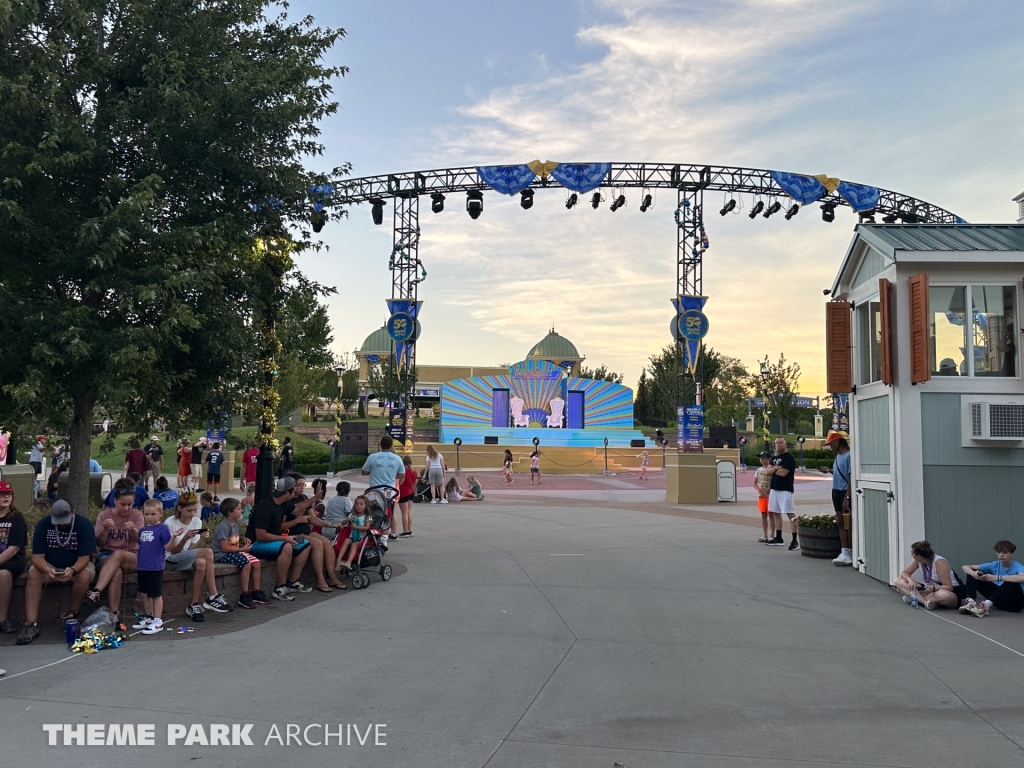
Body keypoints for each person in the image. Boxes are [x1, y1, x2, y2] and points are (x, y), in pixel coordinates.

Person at [17, 500, 97, 645]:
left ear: (73, 513)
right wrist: (47, 570)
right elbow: (37, 557)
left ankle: (72, 615)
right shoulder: (44, 525)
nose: (61, 524)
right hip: (50, 564)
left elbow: (84, 557)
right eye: (58, 521)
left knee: (84, 575)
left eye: (64, 521)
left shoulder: (84, 525)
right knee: (34, 575)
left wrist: (73, 570)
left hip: (76, 565)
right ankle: (31, 624)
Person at [164, 492, 233, 622]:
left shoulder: (196, 522)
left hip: (185, 557)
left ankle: (194, 604)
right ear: (180, 508)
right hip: (171, 560)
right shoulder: (170, 523)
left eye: (195, 510)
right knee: (208, 552)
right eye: (189, 510)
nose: (193, 513)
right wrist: (184, 538)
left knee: (201, 563)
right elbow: (173, 551)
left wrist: (200, 539)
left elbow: (190, 550)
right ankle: (213, 596)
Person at [245, 477, 312, 600]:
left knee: (304, 543)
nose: (294, 494)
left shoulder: (284, 503)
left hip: (275, 540)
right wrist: (284, 539)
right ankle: (279, 588)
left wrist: (316, 497)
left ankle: (292, 582)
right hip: (256, 543)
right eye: (293, 492)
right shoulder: (266, 506)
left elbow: (298, 507)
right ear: (287, 493)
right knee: (286, 547)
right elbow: (260, 535)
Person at [88, 486, 144, 625]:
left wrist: (133, 530)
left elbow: (139, 540)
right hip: (106, 554)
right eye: (122, 505)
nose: (126, 508)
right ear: (115, 501)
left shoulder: (137, 515)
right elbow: (99, 542)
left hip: (131, 555)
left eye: (130, 505)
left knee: (118, 554)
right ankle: (114, 615)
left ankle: (96, 590)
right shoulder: (104, 516)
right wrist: (105, 530)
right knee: (116, 572)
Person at [281, 473, 345, 592]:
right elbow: (280, 526)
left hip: (306, 532)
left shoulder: (304, 498)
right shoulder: (287, 501)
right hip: (293, 537)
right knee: (316, 543)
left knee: (326, 542)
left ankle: (332, 577)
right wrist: (297, 520)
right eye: (299, 485)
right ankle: (320, 580)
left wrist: (330, 525)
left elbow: (313, 519)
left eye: (303, 484)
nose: (302, 487)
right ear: (291, 486)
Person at [213, 498, 268, 608]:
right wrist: (242, 550)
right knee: (245, 563)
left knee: (256, 562)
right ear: (230, 512)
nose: (241, 511)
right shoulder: (224, 526)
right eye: (238, 509)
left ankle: (256, 591)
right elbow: (224, 548)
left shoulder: (236, 523)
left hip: (235, 551)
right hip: (222, 554)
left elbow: (233, 537)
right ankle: (244, 594)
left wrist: (243, 538)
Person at [132, 499, 173, 634]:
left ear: (160, 514)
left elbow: (168, 546)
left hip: (155, 567)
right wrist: (132, 529)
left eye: (153, 514)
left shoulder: (163, 529)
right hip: (142, 566)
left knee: (155, 594)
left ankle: (158, 620)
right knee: (144, 593)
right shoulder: (142, 530)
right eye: (146, 514)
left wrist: (174, 538)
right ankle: (149, 617)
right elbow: (138, 542)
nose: (149, 517)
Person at [961, 540, 1024, 617]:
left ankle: (985, 606)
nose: (1001, 555)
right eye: (999, 552)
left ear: (1011, 554)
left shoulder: (1018, 566)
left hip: (1015, 604)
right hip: (998, 601)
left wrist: (998, 578)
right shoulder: (994, 565)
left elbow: (1022, 577)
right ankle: (970, 602)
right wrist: (974, 574)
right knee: (973, 572)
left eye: (1005, 552)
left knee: (1012, 579)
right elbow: (965, 566)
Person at [894, 540, 961, 610]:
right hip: (927, 590)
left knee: (945, 595)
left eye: (912, 553)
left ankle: (915, 598)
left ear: (919, 556)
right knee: (898, 581)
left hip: (947, 591)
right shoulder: (918, 561)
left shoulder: (939, 562)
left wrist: (933, 588)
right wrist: (910, 579)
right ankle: (925, 602)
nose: (912, 555)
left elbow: (949, 587)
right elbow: (905, 573)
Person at [0, 481, 29, 635]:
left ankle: (2, 620)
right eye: (2, 494)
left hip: (12, 561)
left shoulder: (16, 518)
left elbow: (14, 548)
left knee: (3, 574)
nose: (6, 497)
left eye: (8, 494)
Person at [764, 437, 798, 550]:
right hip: (774, 489)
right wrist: (775, 469)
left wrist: (774, 470)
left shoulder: (789, 457)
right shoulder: (774, 458)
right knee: (776, 513)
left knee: (790, 514)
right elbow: (767, 472)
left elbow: (784, 473)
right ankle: (778, 538)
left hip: (785, 489)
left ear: (785, 444)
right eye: (776, 443)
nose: (778, 445)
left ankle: (794, 540)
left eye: (781, 442)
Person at [825, 433, 854, 566]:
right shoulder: (838, 456)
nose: (830, 447)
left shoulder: (849, 456)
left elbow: (850, 478)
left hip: (844, 492)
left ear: (837, 442)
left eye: (831, 444)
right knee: (841, 522)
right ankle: (844, 551)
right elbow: (839, 473)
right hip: (835, 490)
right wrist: (830, 470)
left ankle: (851, 551)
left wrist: (847, 497)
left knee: (848, 522)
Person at [337, 495, 372, 572]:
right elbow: (342, 523)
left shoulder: (367, 516)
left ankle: (348, 562)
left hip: (362, 538)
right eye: (356, 504)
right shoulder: (353, 515)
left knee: (354, 544)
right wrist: (348, 519)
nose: (358, 506)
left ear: (366, 506)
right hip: (352, 536)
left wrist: (356, 527)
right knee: (346, 540)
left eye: (361, 504)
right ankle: (338, 561)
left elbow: (366, 528)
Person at [394, 455, 417, 539]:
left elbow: (400, 483)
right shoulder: (413, 471)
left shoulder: (403, 471)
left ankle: (405, 531)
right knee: (408, 512)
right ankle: (409, 529)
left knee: (403, 513)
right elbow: (414, 483)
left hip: (404, 492)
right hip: (411, 492)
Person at [324, 481, 353, 546]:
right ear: (348, 490)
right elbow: (351, 513)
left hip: (325, 529)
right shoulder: (346, 500)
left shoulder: (331, 499)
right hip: (338, 531)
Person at [753, 452, 772, 543]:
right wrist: (759, 489)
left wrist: (769, 489)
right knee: (763, 515)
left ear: (768, 459)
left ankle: (772, 535)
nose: (761, 460)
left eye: (764, 458)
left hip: (770, 495)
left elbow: (774, 481)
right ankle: (765, 535)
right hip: (761, 495)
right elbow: (754, 483)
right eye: (761, 458)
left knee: (772, 515)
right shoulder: (758, 470)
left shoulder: (772, 469)